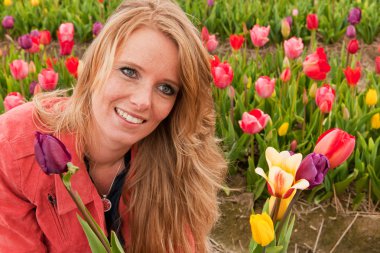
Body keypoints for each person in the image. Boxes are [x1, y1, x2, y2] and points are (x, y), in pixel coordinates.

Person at [0, 0, 227, 252]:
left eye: (165, 88)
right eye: (129, 72)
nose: (142, 101)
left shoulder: (177, 162)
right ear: (97, 64)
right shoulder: (13, 150)